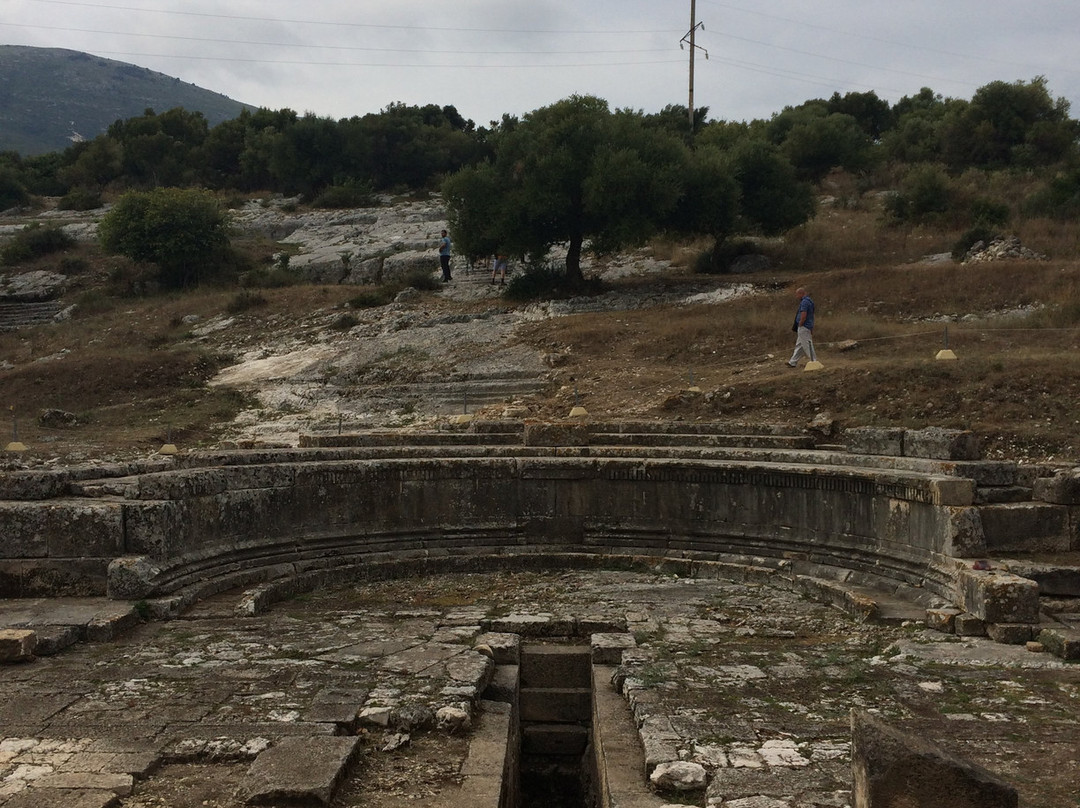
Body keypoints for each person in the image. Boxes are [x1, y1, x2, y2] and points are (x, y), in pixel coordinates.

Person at [787, 286, 816, 367]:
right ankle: (792, 362)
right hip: (808, 325)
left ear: (801, 294)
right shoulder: (810, 301)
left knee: (807, 344)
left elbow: (804, 314)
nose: (796, 297)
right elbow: (812, 315)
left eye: (797, 295)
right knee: (799, 345)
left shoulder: (804, 302)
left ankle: (814, 361)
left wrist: (800, 323)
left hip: (804, 326)